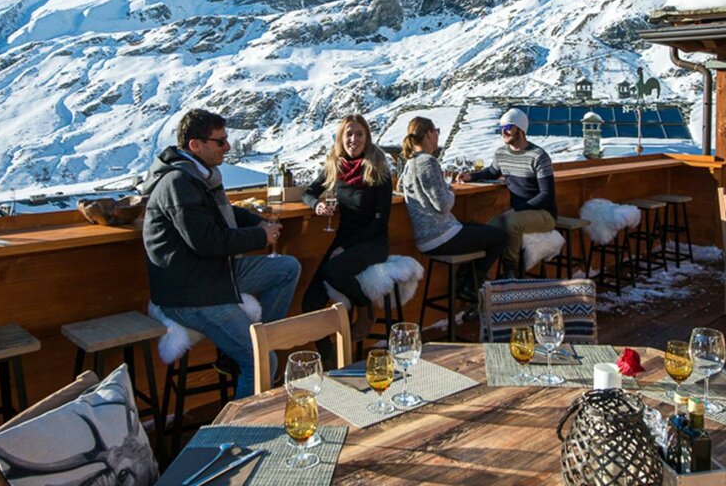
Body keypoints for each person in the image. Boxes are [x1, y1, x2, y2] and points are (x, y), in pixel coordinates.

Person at [142, 108, 301, 399]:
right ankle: (239, 435)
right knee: (263, 360)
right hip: (191, 294)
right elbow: (208, 242)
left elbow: (222, 214)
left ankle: (248, 345)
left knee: (287, 268)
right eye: (221, 141)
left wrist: (256, 221)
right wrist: (259, 235)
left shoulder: (200, 176)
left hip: (214, 276)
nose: (228, 147)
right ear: (196, 145)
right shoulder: (178, 183)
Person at [302, 114, 392, 344]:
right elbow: (308, 192)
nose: (354, 139)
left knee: (334, 271)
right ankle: (329, 360)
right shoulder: (336, 165)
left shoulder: (378, 169)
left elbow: (380, 222)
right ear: (341, 138)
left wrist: (344, 248)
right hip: (344, 239)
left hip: (373, 241)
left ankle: (366, 309)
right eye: (348, 134)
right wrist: (318, 205)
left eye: (359, 134)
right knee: (310, 302)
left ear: (367, 137)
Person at [399, 116, 507, 300]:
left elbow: (401, 186)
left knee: (477, 228)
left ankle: (466, 281)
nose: (438, 137)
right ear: (429, 134)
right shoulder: (427, 161)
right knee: (500, 237)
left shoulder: (411, 162)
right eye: (436, 132)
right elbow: (443, 204)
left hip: (426, 236)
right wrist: (449, 189)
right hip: (439, 236)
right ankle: (469, 286)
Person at [459, 108, 557, 277]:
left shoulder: (539, 156)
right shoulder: (501, 153)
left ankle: (511, 271)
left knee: (512, 222)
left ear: (521, 129)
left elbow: (546, 195)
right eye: (501, 128)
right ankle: (475, 276)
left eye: (508, 127)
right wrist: (470, 176)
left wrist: (517, 210)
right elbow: (492, 171)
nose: (503, 131)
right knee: (488, 230)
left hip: (544, 214)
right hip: (516, 212)